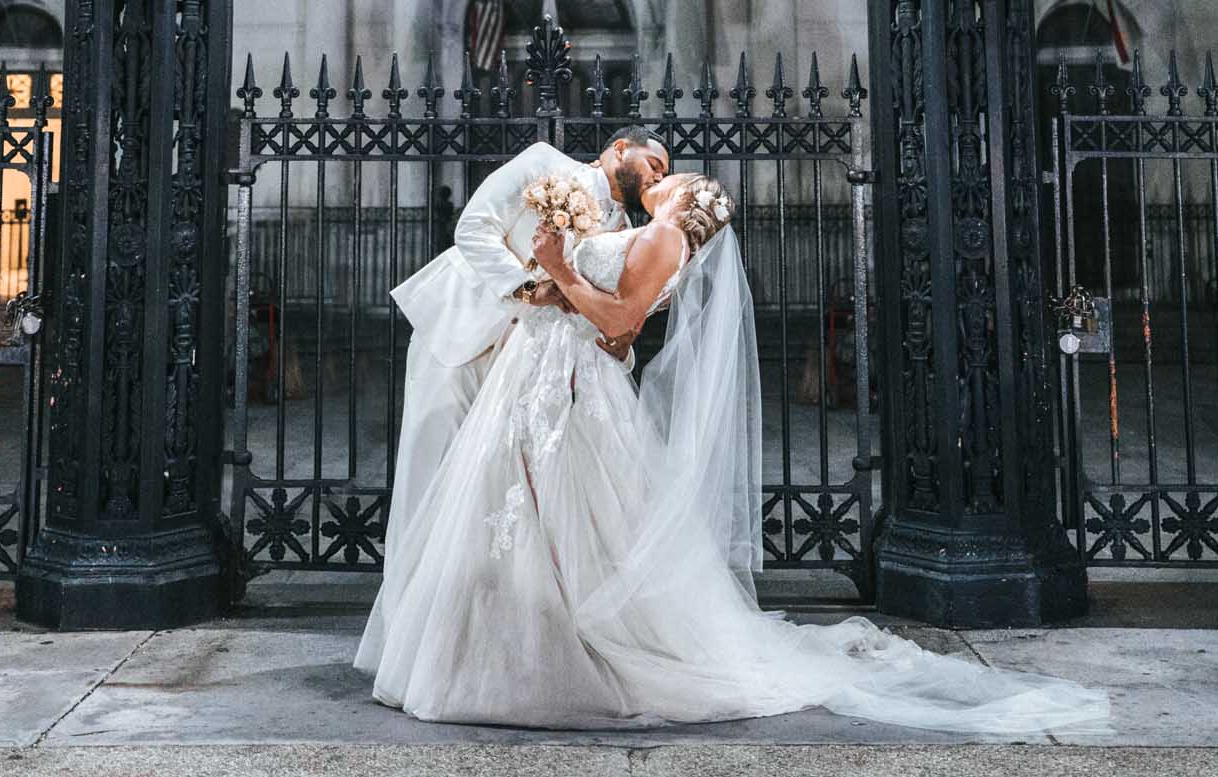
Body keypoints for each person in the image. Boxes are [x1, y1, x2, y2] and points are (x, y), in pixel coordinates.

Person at [358, 172, 1106, 736]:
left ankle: (550, 648)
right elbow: (604, 318)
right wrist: (552, 278)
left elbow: (617, 324)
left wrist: (557, 271)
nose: (662, 178)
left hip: (571, 381)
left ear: (690, 205)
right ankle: (520, 629)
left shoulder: (661, 240)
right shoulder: (645, 231)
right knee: (533, 508)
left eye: (676, 180)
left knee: (564, 511)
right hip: (545, 374)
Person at [381, 128, 668, 559]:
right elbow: (474, 228)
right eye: (654, 166)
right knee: (434, 471)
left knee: (495, 488)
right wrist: (527, 288)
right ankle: (415, 598)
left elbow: (598, 309)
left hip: (529, 368)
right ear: (621, 149)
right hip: (464, 336)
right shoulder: (544, 163)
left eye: (664, 176)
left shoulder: (624, 230)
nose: (658, 179)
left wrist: (619, 343)